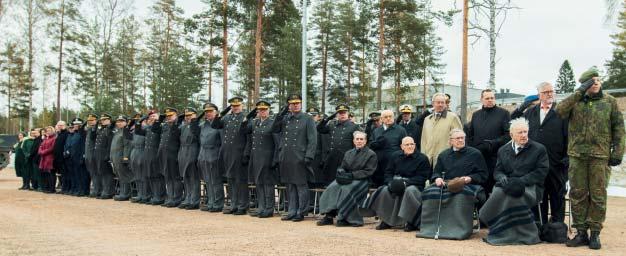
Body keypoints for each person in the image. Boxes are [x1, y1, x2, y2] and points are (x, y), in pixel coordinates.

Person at [556, 67, 625, 250]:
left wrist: (618, 152)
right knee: (577, 194)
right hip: (577, 155)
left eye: (597, 80)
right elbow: (559, 111)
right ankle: (581, 233)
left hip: (600, 156)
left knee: (598, 195)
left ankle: (595, 233)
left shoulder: (609, 101)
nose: (595, 83)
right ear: (584, 84)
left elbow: (619, 128)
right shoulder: (575, 101)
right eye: (591, 81)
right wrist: (578, 92)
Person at [479, 118, 549, 245]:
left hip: (531, 187)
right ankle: (500, 229)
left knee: (514, 197)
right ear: (512, 135)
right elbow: (497, 171)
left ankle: (519, 234)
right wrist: (502, 178)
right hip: (507, 185)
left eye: (525, 132)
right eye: (520, 132)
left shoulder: (539, 149)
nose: (523, 135)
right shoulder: (503, 150)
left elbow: (541, 172)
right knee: (498, 193)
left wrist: (520, 181)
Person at [511, 82, 568, 224]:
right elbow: (513, 120)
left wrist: (567, 157)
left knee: (557, 195)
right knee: (538, 196)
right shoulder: (531, 112)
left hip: (556, 162)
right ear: (539, 95)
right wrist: (523, 106)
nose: (549, 94)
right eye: (546, 92)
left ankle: (557, 226)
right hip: (535, 163)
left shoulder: (561, 111)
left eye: (551, 91)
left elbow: (569, 135)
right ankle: (539, 226)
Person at [416, 128, 488, 240]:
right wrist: (437, 178)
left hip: (468, 185)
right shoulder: (443, 155)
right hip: (445, 184)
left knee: (461, 195)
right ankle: (430, 227)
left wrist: (470, 178)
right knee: (429, 193)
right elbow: (436, 172)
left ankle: (460, 229)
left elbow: (483, 174)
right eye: (457, 138)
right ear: (450, 141)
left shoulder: (475, 154)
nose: (460, 140)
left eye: (462, 138)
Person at [362, 136, 431, 232]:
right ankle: (386, 220)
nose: (410, 146)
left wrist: (405, 183)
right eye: (407, 145)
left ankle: (411, 221)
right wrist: (390, 183)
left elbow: (422, 177)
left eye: (412, 144)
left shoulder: (422, 158)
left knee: (409, 191)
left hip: (414, 185)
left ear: (415, 145)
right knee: (384, 190)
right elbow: (388, 172)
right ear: (402, 146)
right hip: (395, 182)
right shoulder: (395, 156)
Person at [272, 94, 317, 222]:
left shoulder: (307, 119)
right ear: (289, 105)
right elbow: (274, 129)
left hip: (300, 157)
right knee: (290, 185)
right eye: (293, 103)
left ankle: (301, 211)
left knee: (301, 185)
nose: (296, 105)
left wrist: (309, 155)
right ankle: (292, 211)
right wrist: (280, 114)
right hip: (286, 156)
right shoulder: (286, 118)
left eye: (298, 103)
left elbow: (312, 139)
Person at [316, 131, 377, 227]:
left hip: (362, 181)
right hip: (347, 178)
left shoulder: (371, 154)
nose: (359, 141)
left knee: (346, 189)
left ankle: (344, 217)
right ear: (354, 141)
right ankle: (329, 216)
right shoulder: (349, 153)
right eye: (357, 139)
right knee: (332, 187)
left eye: (361, 139)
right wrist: (341, 171)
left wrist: (352, 175)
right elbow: (343, 166)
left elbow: (369, 171)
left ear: (365, 141)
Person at [466, 89, 511, 196]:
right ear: (481, 99)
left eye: (492, 98)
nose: (490, 100)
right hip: (479, 158)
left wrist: (493, 143)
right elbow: (470, 135)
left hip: (496, 158)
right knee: (481, 189)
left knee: (495, 190)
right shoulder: (476, 115)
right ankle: (481, 212)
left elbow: (508, 135)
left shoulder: (504, 113)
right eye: (487, 98)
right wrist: (473, 149)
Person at [242, 100, 280, 218]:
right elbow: (244, 130)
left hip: (267, 158)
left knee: (268, 184)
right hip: (256, 157)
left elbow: (277, 143)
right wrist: (246, 118)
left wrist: (275, 159)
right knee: (258, 183)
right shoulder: (255, 123)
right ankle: (261, 207)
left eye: (264, 110)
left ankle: (269, 208)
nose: (262, 112)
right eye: (260, 110)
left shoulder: (272, 123)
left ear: (268, 110)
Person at [212, 97, 249, 215]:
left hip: (239, 153)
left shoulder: (245, 118)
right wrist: (220, 114)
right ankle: (234, 204)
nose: (235, 108)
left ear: (242, 106)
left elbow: (248, 138)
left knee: (240, 181)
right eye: (233, 106)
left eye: (237, 106)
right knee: (231, 180)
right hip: (227, 153)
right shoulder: (227, 118)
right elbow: (215, 125)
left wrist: (246, 153)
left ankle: (242, 205)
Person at [317, 104, 360, 185]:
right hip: (332, 158)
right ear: (336, 114)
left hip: (346, 159)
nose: (342, 115)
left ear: (348, 113)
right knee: (330, 183)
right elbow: (319, 129)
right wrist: (327, 119)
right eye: (340, 113)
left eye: (344, 112)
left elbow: (357, 145)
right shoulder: (332, 125)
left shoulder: (354, 126)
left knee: (344, 183)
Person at [421, 93, 463, 167]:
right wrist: (423, 156)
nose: (440, 105)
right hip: (428, 159)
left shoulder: (453, 117)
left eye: (442, 102)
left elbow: (459, 139)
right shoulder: (427, 119)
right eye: (438, 102)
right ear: (433, 104)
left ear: (445, 104)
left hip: (446, 159)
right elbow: (424, 140)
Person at [154, 107, 184, 208]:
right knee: (167, 177)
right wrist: (160, 119)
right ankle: (170, 198)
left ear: (176, 115)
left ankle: (177, 198)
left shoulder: (179, 125)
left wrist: (175, 122)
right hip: (163, 155)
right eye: (167, 116)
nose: (169, 117)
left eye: (171, 115)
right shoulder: (165, 126)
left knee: (175, 178)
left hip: (174, 155)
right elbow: (155, 129)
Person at [368, 110, 407, 187]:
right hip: (379, 166)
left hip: (394, 165)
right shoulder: (376, 130)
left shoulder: (401, 130)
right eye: (386, 117)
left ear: (394, 118)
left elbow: (405, 147)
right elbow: (370, 144)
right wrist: (375, 144)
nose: (388, 118)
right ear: (381, 119)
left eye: (390, 116)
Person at [197, 103, 224, 212]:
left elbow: (222, 141)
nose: (208, 114)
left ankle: (218, 203)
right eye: (206, 112)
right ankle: (211, 201)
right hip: (203, 154)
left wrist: (220, 156)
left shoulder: (219, 124)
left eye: (210, 111)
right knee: (208, 180)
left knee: (215, 180)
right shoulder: (203, 125)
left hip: (214, 154)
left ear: (216, 112)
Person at [177, 108, 202, 209]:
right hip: (183, 152)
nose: (187, 117)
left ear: (195, 115)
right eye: (186, 116)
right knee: (186, 178)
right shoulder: (183, 127)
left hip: (192, 151)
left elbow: (199, 141)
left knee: (193, 178)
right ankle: (188, 198)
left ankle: (194, 200)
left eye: (190, 115)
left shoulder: (199, 125)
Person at [110, 115, 133, 201]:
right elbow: (112, 145)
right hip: (115, 157)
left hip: (121, 156)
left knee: (124, 175)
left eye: (121, 121)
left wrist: (126, 157)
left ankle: (125, 193)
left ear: (126, 122)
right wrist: (111, 157)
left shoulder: (126, 131)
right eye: (118, 121)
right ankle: (122, 192)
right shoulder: (117, 132)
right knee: (119, 175)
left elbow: (128, 145)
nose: (119, 123)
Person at [130, 114, 150, 204]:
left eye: (138, 120)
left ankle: (145, 195)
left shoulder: (146, 129)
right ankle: (140, 194)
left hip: (142, 152)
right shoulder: (135, 130)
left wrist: (145, 117)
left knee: (143, 175)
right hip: (135, 152)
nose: (136, 122)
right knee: (137, 175)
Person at [38, 126, 57, 194]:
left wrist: (43, 152)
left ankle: (52, 188)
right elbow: (40, 146)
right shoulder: (45, 139)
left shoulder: (54, 138)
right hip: (44, 158)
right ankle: (47, 187)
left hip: (50, 158)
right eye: (47, 131)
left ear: (53, 131)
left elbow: (52, 148)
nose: (48, 132)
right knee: (45, 173)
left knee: (51, 174)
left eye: (49, 130)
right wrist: (40, 151)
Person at [84, 114, 98, 197]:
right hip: (87, 154)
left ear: (96, 120)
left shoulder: (95, 129)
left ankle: (96, 190)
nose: (90, 122)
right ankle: (95, 189)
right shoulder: (88, 129)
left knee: (95, 173)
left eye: (92, 120)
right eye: (89, 121)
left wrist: (95, 125)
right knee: (92, 173)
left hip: (93, 154)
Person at [53, 121, 69, 194]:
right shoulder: (59, 134)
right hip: (57, 158)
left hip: (63, 157)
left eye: (61, 125)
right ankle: (62, 187)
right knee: (59, 174)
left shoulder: (66, 133)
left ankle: (65, 188)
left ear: (65, 125)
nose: (59, 126)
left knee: (65, 174)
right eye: (58, 125)